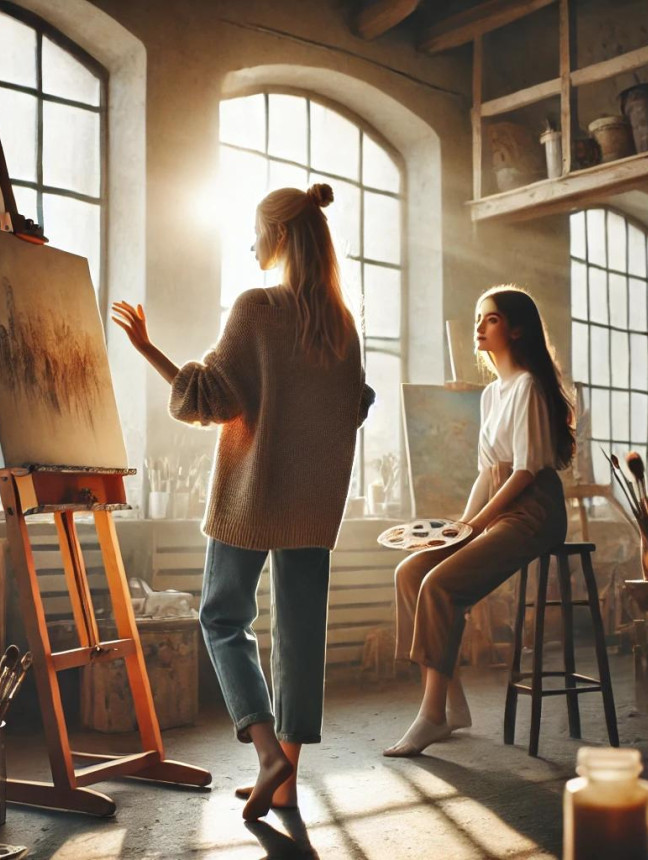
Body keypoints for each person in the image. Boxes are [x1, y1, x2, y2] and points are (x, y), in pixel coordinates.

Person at [112, 183, 374, 819]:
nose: (250, 243)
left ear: (279, 236)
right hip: (314, 507)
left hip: (251, 499)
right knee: (300, 635)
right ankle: (286, 781)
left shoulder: (256, 308)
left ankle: (266, 753)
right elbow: (355, 406)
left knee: (221, 617)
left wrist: (147, 349)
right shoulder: (342, 325)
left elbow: (210, 398)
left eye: (256, 231)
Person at [384, 285, 573, 757]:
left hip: (535, 511)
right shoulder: (491, 395)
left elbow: (524, 472)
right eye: (478, 318)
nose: (480, 326)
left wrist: (480, 523)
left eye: (491, 319)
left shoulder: (528, 386)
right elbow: (489, 474)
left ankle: (431, 717)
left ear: (517, 329)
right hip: (500, 507)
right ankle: (453, 706)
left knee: (439, 584)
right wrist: (461, 526)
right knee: (411, 571)